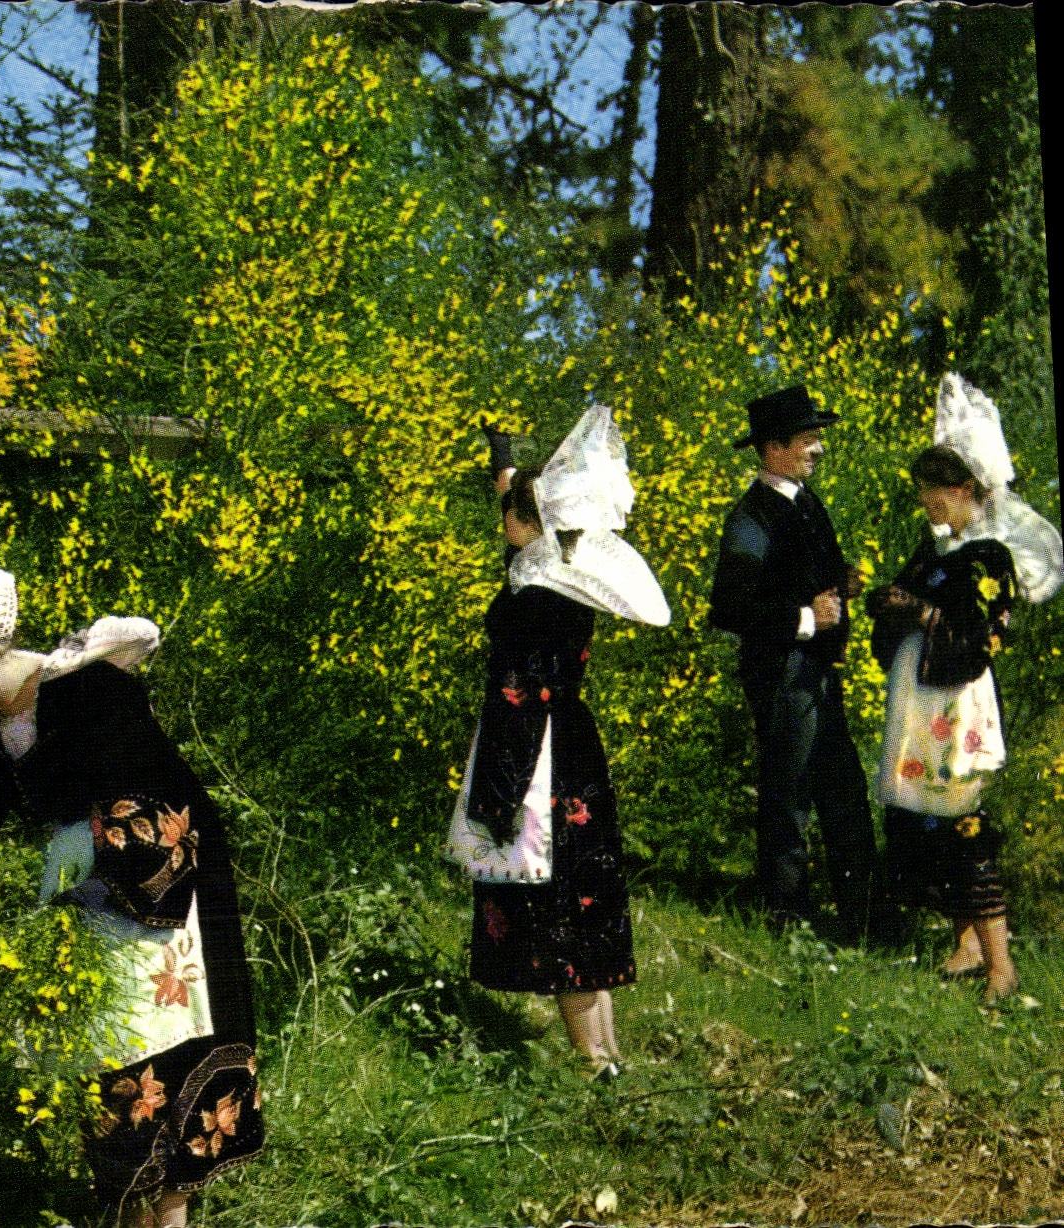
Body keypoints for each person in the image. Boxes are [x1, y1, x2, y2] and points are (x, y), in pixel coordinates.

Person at [0, 527, 263, 1227]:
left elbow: (158, 800)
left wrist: (95, 862)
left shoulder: (92, 695)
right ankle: (133, 1214)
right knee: (115, 1064)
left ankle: (171, 1216)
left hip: (163, 894)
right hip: (92, 899)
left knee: (174, 1053)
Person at [447, 406, 670, 1080]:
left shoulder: (529, 599)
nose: (500, 528)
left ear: (524, 525)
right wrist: (502, 459)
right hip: (573, 740)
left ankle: (588, 1064)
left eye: (507, 517)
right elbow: (523, 502)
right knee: (587, 887)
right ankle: (607, 1051)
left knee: (558, 897)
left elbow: (514, 697)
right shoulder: (564, 572)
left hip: (534, 748)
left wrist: (495, 795)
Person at [866, 374, 1062, 1004]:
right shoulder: (940, 553)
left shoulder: (988, 558)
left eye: (932, 492)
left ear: (961, 491)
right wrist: (890, 602)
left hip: (955, 701)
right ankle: (967, 943)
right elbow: (901, 598)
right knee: (926, 821)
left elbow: (982, 636)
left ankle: (1001, 962)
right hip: (920, 699)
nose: (925, 503)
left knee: (963, 825)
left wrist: (919, 614)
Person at [707, 385, 881, 944]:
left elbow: (796, 577)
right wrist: (807, 618)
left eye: (817, 438)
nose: (818, 449)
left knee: (843, 790)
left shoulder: (804, 502)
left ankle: (864, 918)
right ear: (773, 448)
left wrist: (840, 585)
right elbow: (729, 607)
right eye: (808, 439)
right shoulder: (750, 517)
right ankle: (788, 923)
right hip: (781, 676)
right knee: (790, 795)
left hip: (815, 676)